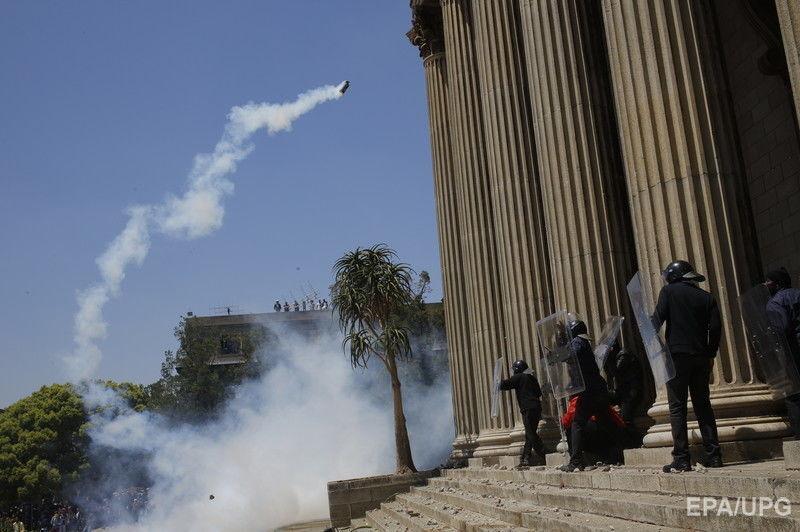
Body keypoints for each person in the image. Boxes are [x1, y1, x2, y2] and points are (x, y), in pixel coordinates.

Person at [654, 260, 722, 472]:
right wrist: (710, 354)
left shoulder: (668, 292)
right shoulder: (706, 297)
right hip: (701, 357)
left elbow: (656, 322)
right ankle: (714, 456)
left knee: (677, 407)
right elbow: (716, 328)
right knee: (703, 405)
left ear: (673, 276)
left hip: (677, 357)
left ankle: (681, 458)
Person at [560, 316, 622, 472]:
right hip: (597, 389)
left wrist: (558, 352)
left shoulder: (578, 342)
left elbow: (570, 354)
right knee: (606, 422)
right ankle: (619, 451)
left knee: (577, 423)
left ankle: (576, 461)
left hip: (589, 391)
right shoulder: (583, 342)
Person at [764, 267, 800, 439]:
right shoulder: (798, 294)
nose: (766, 284)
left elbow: (782, 328)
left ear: (777, 283)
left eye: (768, 281)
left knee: (793, 394)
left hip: (794, 352)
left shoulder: (775, 302)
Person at [499, 359, 546, 466]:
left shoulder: (519, 376)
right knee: (530, 433)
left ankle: (544, 453)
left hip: (528, 408)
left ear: (517, 369)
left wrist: (498, 383)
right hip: (536, 407)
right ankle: (526, 457)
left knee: (531, 433)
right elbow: (539, 393)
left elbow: (506, 384)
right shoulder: (532, 378)